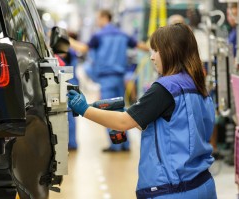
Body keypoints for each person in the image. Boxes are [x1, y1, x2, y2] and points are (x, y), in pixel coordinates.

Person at [67, 23, 217, 199]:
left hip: (173, 190)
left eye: (156, 51)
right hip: (203, 185)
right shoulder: (198, 85)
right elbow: (176, 127)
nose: (152, 57)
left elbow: (123, 122)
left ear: (170, 51)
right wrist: (135, 113)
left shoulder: (165, 87)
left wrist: (84, 109)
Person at [69, 9, 147, 152]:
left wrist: (67, 40)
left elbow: (83, 48)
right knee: (121, 111)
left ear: (105, 17)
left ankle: (115, 146)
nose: (98, 21)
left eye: (98, 18)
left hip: (106, 78)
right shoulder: (122, 34)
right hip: (120, 78)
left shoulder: (98, 36)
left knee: (109, 111)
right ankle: (125, 145)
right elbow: (141, 46)